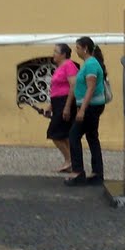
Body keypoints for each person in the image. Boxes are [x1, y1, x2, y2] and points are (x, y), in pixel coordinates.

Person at [64, 36, 107, 186]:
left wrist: (82, 110)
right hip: (91, 106)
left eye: (77, 47)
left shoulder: (91, 65)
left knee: (74, 135)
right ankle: (97, 173)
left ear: (85, 48)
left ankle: (78, 172)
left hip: (91, 107)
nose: (76, 50)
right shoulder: (88, 64)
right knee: (92, 137)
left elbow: (91, 87)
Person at [45, 43, 78, 173]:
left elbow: (73, 86)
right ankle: (72, 161)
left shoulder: (69, 65)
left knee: (54, 133)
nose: (53, 54)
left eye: (56, 52)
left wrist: (67, 106)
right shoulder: (60, 67)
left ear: (63, 54)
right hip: (58, 102)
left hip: (65, 102)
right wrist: (50, 106)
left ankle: (69, 160)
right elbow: (56, 89)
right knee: (63, 135)